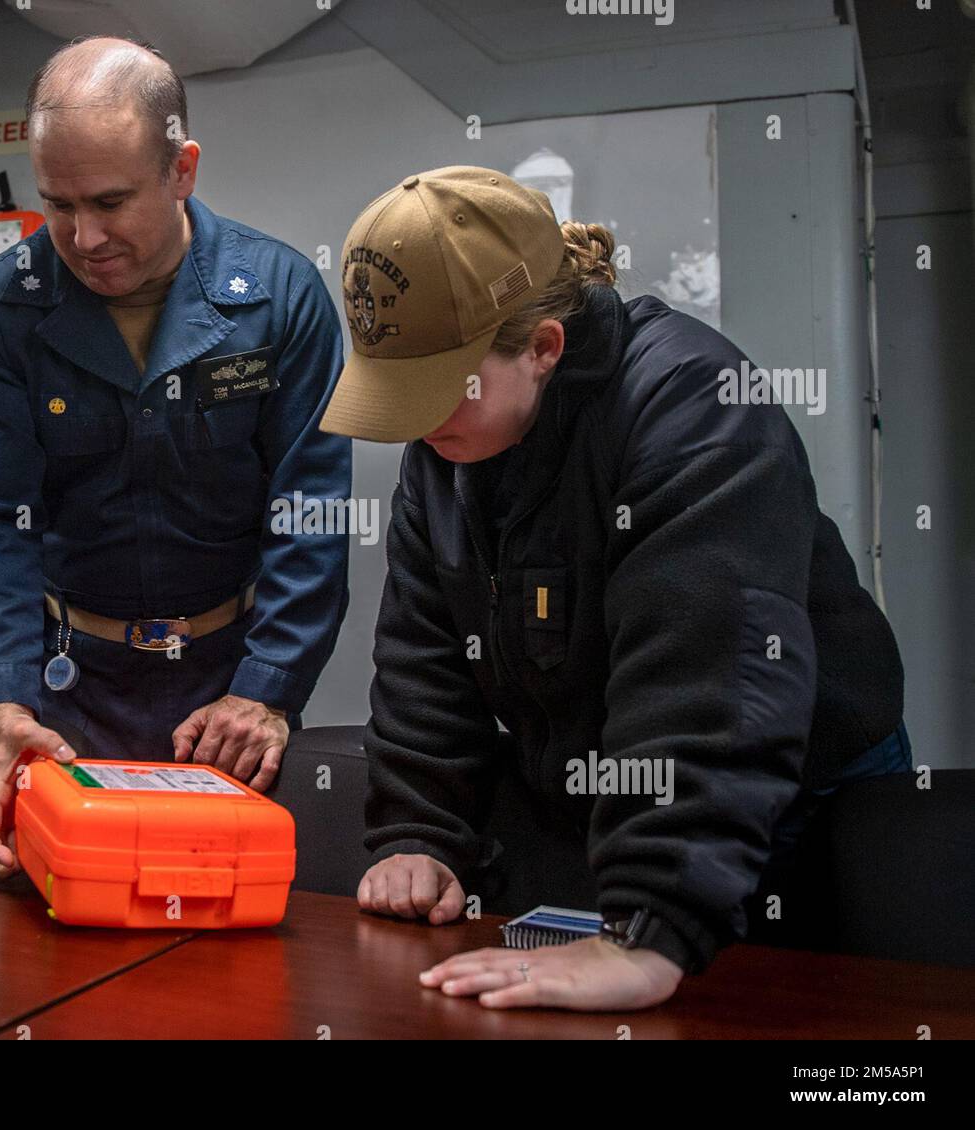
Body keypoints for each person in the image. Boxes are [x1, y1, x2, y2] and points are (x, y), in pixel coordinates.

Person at [320, 166, 906, 1011]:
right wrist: (421, 834)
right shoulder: (449, 444)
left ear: (544, 348)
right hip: (608, 791)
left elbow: (708, 679)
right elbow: (426, 652)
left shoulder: (694, 408)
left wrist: (649, 928)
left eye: (437, 389)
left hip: (787, 791)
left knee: (806, 1017)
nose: (412, 423)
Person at [0, 38, 350, 878]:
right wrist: (5, 701)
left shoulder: (282, 296)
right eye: (59, 204)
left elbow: (311, 514)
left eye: (112, 202)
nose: (85, 237)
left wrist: (268, 688)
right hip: (62, 686)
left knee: (215, 928)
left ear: (182, 169)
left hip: (226, 689)